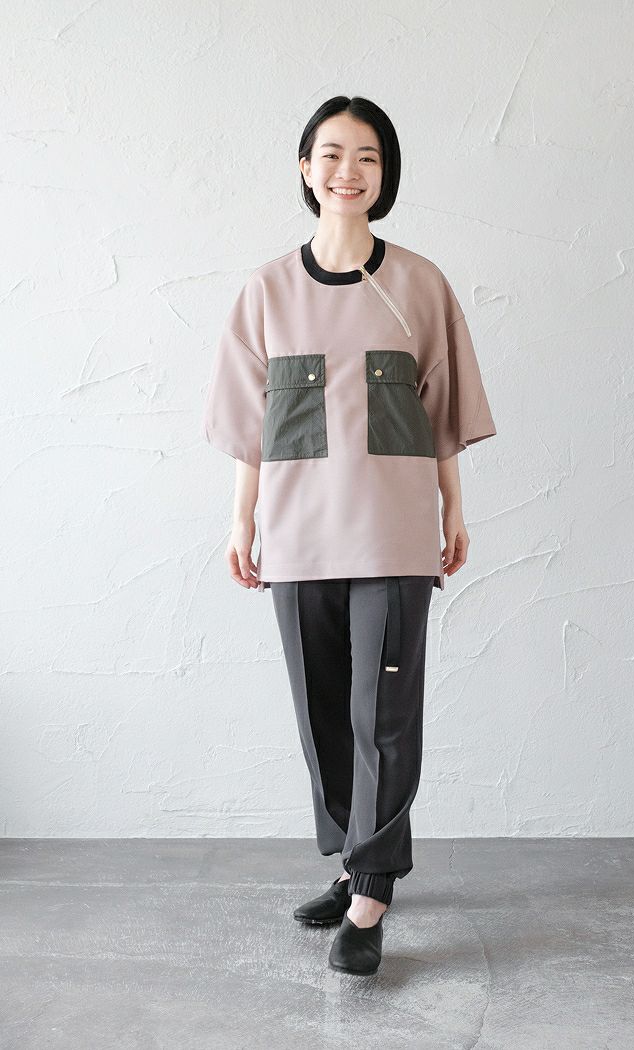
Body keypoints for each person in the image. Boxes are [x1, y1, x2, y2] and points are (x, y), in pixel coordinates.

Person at [202, 96, 497, 976]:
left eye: (367, 156)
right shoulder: (266, 291)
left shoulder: (420, 285)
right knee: (323, 713)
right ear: (305, 168)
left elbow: (442, 412)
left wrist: (453, 509)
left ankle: (370, 896)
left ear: (384, 173)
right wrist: (241, 521)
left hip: (394, 536)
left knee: (384, 716)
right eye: (331, 154)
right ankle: (351, 856)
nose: (348, 171)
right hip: (297, 539)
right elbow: (252, 427)